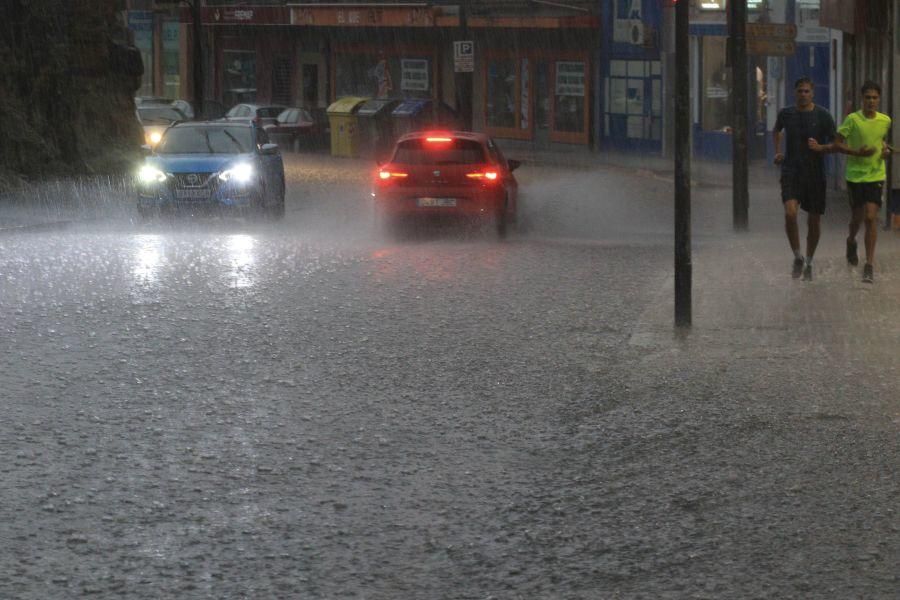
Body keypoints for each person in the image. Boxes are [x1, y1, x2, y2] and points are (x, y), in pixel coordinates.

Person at [816, 81, 892, 283]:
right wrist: (856, 152)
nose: (871, 101)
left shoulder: (885, 120)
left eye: (875, 97)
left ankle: (869, 265)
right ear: (862, 99)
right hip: (855, 175)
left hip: (876, 175)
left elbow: (881, 142)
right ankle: (851, 241)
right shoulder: (852, 119)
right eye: (868, 97)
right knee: (857, 218)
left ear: (879, 99)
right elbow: (837, 144)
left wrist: (884, 152)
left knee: (870, 217)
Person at [773, 77, 836, 280]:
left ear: (813, 93)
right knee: (790, 214)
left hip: (815, 174)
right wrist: (778, 152)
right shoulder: (786, 113)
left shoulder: (823, 115)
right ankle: (797, 256)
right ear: (795, 93)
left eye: (807, 91)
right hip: (791, 171)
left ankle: (809, 259)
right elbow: (777, 130)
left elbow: (835, 143)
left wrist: (821, 148)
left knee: (814, 221)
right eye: (800, 91)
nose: (803, 94)